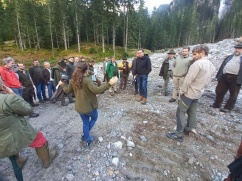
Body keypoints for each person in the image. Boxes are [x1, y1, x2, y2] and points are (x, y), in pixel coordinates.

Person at [0, 82, 57, 181]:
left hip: (3, 139)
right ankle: (47, 160)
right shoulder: (7, 99)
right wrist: (13, 94)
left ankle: (18, 160)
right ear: (2, 86)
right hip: (16, 132)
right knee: (39, 139)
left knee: (8, 145)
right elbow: (28, 110)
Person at [59, 63, 118, 148]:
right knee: (94, 118)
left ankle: (87, 138)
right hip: (89, 107)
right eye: (87, 70)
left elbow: (67, 90)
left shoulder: (73, 80)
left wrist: (62, 84)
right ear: (85, 71)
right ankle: (86, 136)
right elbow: (97, 90)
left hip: (79, 107)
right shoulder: (87, 80)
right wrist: (109, 83)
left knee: (85, 123)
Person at [166, 45, 216, 142]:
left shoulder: (197, 64)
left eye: (195, 54)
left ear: (202, 53)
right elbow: (209, 80)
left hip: (189, 93)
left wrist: (182, 91)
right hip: (198, 93)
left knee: (180, 112)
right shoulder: (211, 65)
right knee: (192, 112)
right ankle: (189, 129)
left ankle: (178, 134)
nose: (193, 56)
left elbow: (188, 80)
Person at [210, 43, 242, 113]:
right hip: (224, 76)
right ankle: (217, 104)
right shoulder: (229, 57)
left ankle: (228, 108)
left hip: (235, 78)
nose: (237, 50)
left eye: (239, 49)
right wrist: (218, 76)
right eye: (236, 48)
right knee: (219, 91)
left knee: (233, 94)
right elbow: (222, 66)